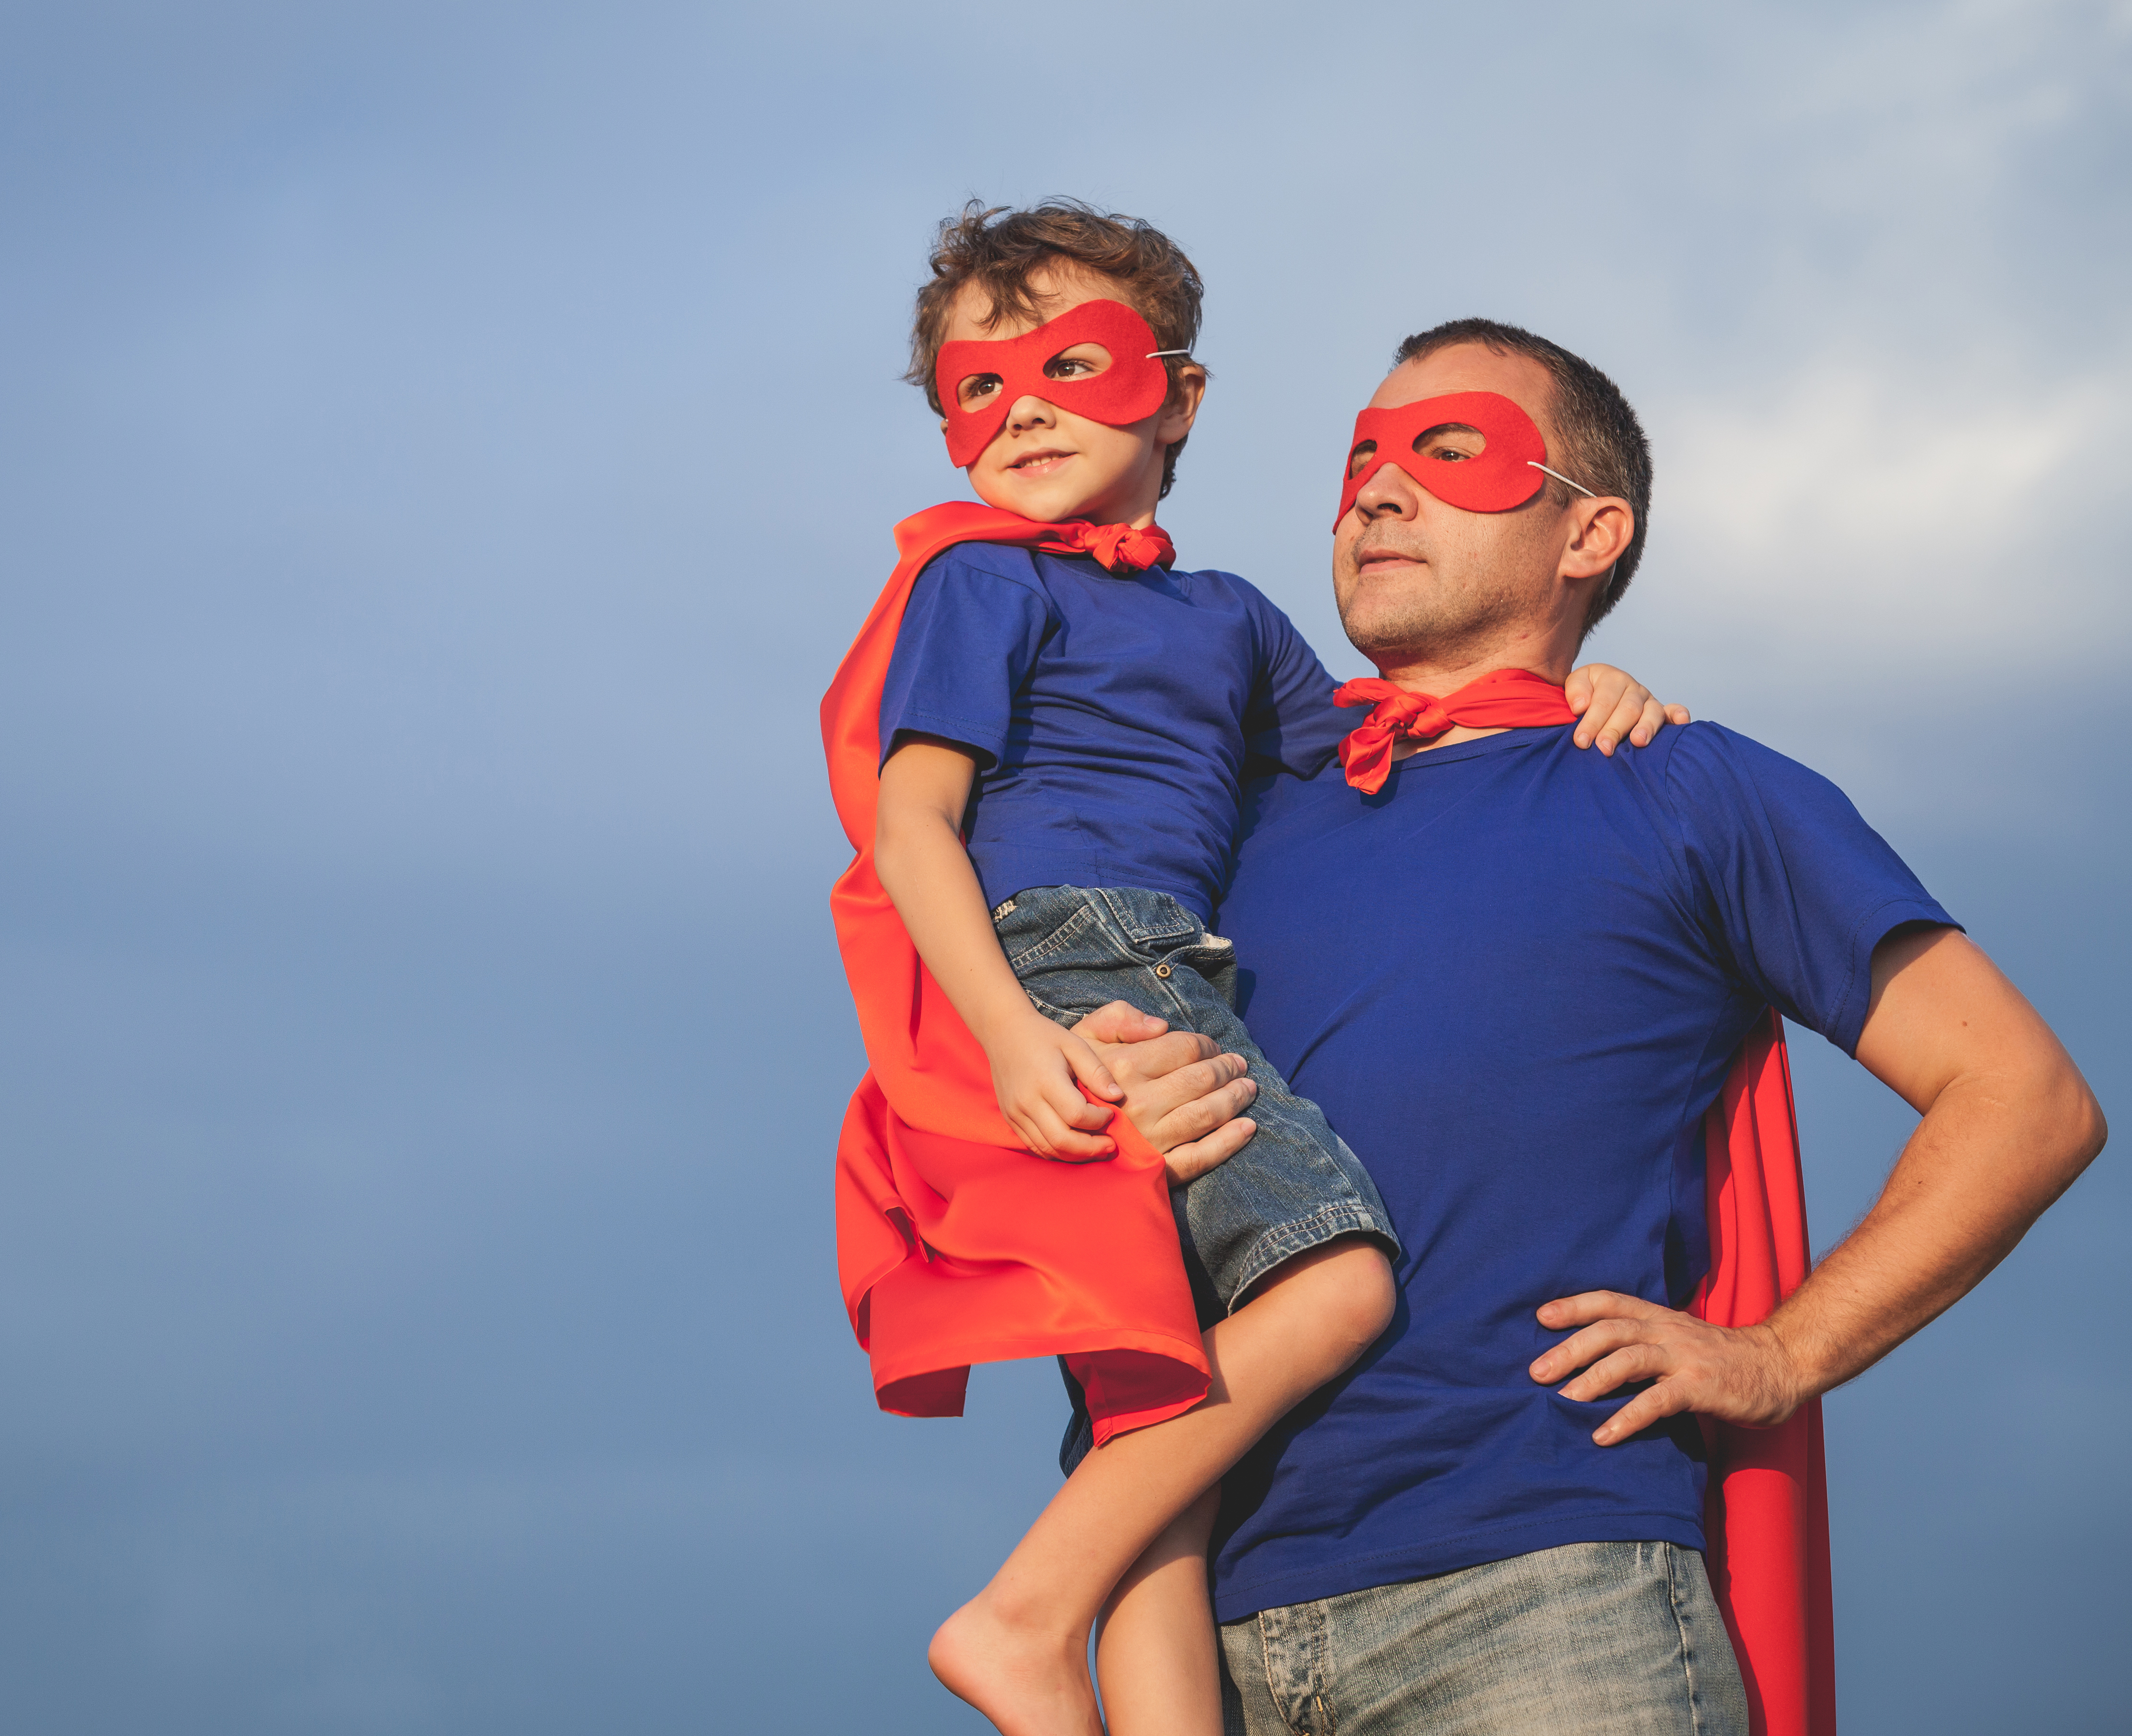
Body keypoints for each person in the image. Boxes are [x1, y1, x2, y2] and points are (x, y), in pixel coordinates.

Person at [1061, 318, 2107, 1735]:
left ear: (1588, 532)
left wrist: (1779, 1354)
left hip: (1542, 1609)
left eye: (1448, 453)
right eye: (1360, 456)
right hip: (1176, 1622)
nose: (1374, 489)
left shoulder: (1681, 786)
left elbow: (2022, 1096)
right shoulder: (1217, 808)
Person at [825, 203, 1683, 1736]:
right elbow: (910, 828)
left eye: (1068, 364)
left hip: (1153, 974)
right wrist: (1016, 1042)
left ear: (1178, 394)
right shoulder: (984, 582)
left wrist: (1579, 686)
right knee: (1338, 1282)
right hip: (1075, 960)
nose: (1019, 406)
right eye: (978, 387)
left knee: (1161, 1404)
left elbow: (1384, 738)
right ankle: (1022, 1620)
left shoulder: (1224, 618)